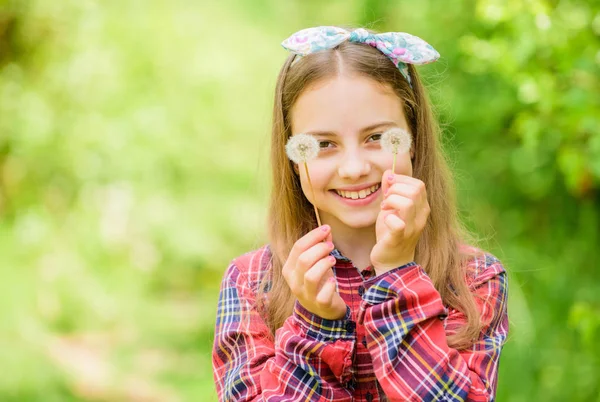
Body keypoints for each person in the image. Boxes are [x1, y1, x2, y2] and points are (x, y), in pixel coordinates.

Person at [212, 26, 509, 402]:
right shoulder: (251, 283)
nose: (353, 168)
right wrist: (316, 325)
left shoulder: (473, 280)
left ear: (413, 139)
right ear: (292, 155)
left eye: (377, 138)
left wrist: (398, 275)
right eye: (323, 144)